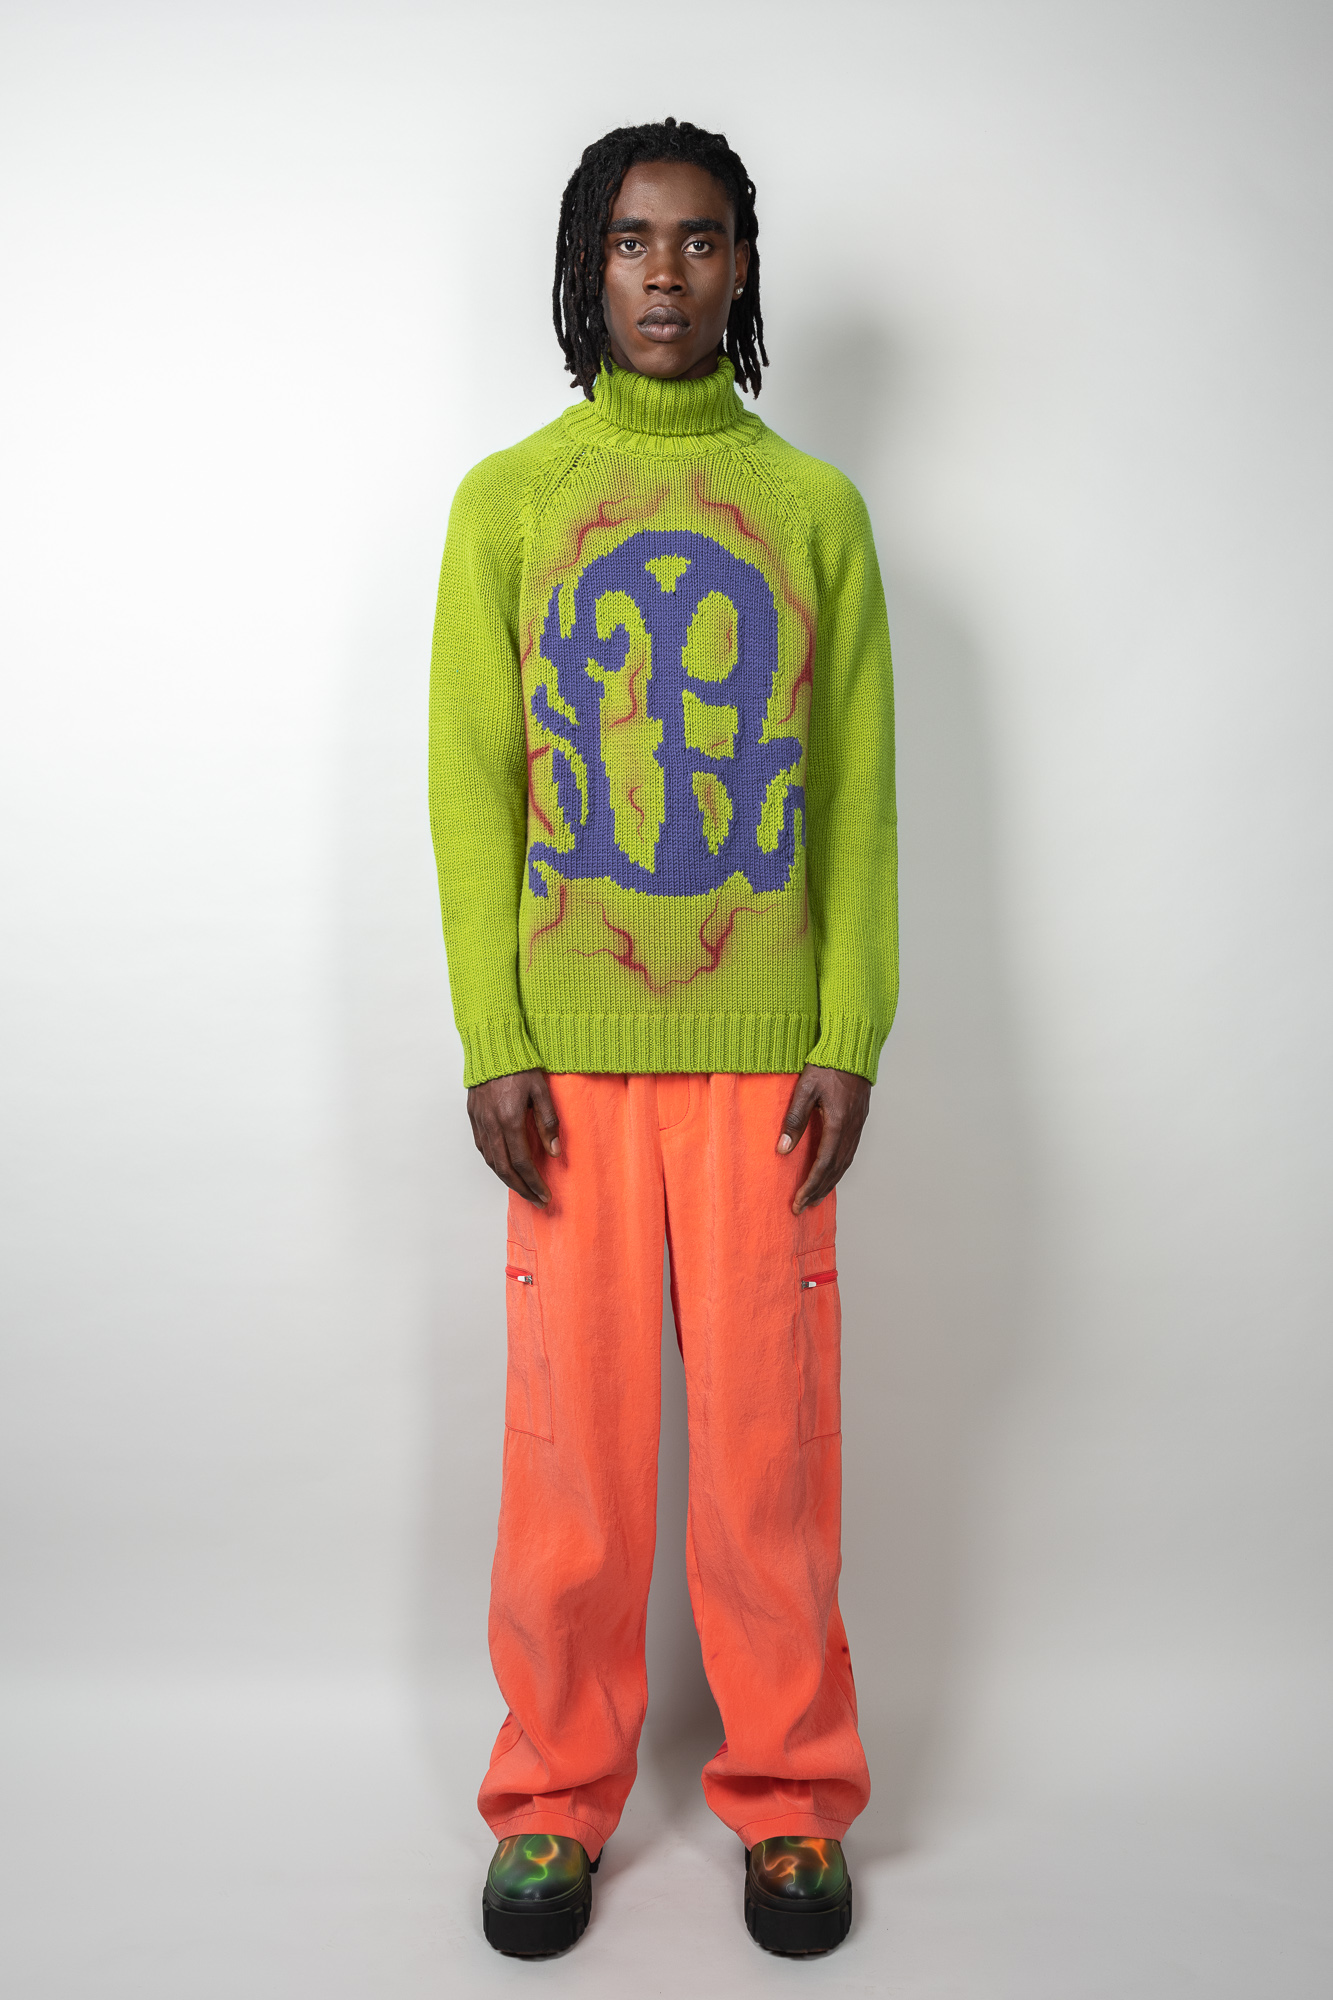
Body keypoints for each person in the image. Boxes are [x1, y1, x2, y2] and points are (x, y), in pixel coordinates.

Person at [428, 116, 897, 1959]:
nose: (665, 274)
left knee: (769, 1453)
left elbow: (853, 796)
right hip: (571, 1064)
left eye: (700, 242)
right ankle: (552, 1794)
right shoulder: (510, 503)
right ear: (585, 265)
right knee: (575, 1462)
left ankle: (789, 1799)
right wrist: (493, 1033)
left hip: (765, 1061)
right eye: (631, 241)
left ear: (742, 269)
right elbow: (475, 787)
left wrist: (849, 1024)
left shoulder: (814, 512)